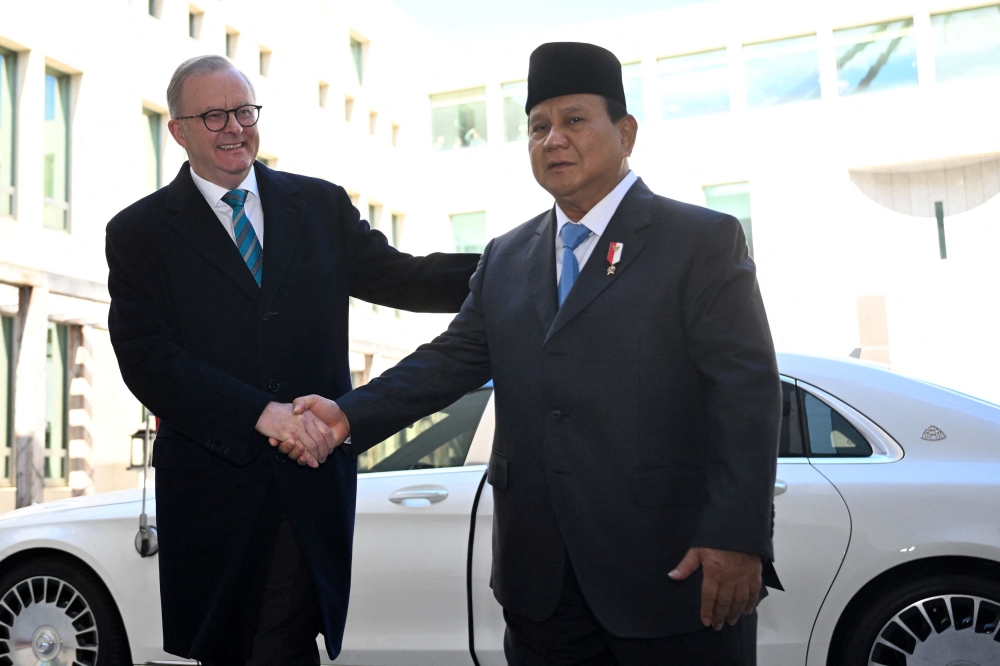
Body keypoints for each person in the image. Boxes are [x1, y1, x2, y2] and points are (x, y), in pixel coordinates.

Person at [283, 42, 782, 665]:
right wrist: (345, 415)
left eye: (574, 120)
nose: (553, 140)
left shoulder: (700, 241)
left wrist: (737, 536)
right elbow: (449, 361)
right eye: (538, 127)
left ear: (626, 133)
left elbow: (746, 395)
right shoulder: (506, 256)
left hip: (671, 574)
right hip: (541, 588)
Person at [105, 55, 480, 665]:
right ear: (178, 131)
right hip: (212, 491)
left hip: (312, 478)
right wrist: (261, 414)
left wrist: (518, 263)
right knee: (236, 647)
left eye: (244, 111)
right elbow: (146, 358)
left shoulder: (319, 205)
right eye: (214, 116)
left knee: (284, 638)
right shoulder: (138, 232)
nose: (235, 128)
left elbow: (404, 278)